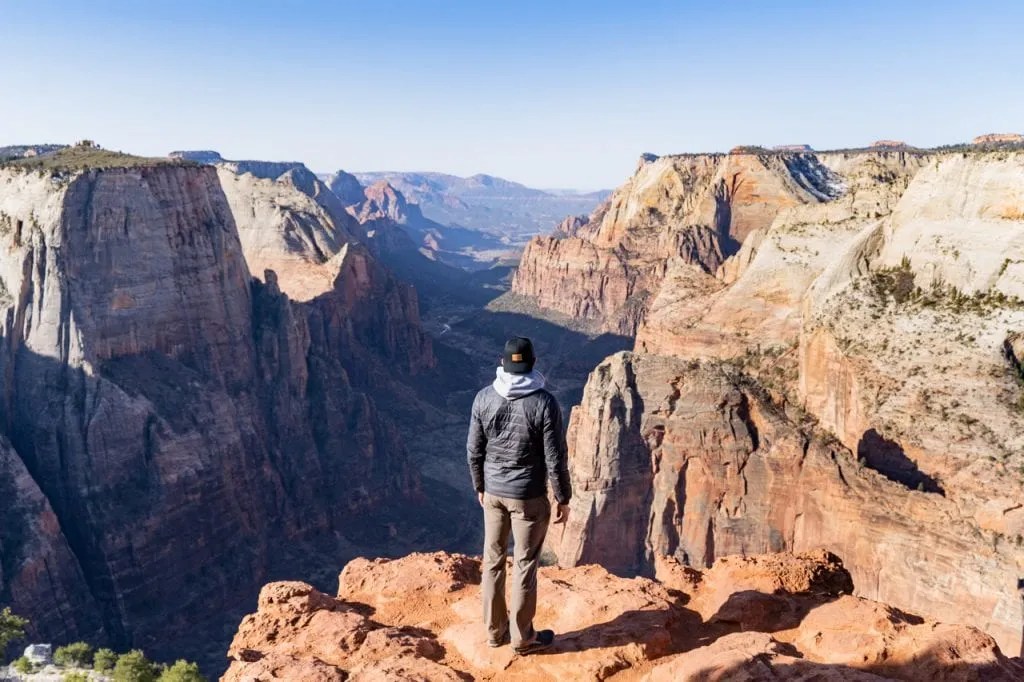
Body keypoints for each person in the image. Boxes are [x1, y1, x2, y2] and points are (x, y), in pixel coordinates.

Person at [467, 336, 572, 655]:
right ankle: (522, 637)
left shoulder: (484, 397)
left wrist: (480, 486)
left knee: (493, 561)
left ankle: (494, 632)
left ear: (502, 363)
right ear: (533, 364)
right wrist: (563, 497)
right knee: (525, 563)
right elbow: (555, 457)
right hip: (528, 496)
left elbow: (474, 450)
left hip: (494, 493)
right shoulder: (544, 402)